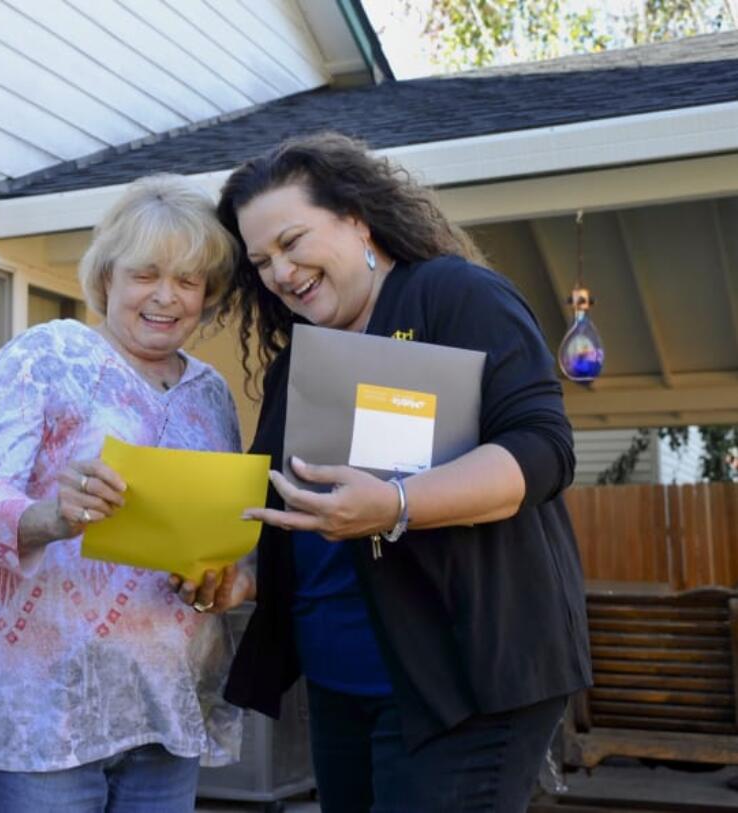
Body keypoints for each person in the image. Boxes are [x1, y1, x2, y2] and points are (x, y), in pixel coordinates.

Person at [192, 132, 591, 813]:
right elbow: (307, 519)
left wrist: (397, 504)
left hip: (463, 682)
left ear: (356, 218)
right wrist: (249, 577)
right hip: (340, 683)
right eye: (261, 260)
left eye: (293, 242)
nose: (281, 272)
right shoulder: (302, 358)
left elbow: (543, 448)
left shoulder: (452, 294)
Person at [0, 174, 244, 813]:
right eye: (146, 274)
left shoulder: (211, 393)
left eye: (188, 281)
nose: (165, 297)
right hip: (40, 712)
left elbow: (227, 533)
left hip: (165, 706)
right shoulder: (45, 356)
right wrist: (51, 514)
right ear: (108, 277)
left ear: (208, 294)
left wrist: (224, 577)